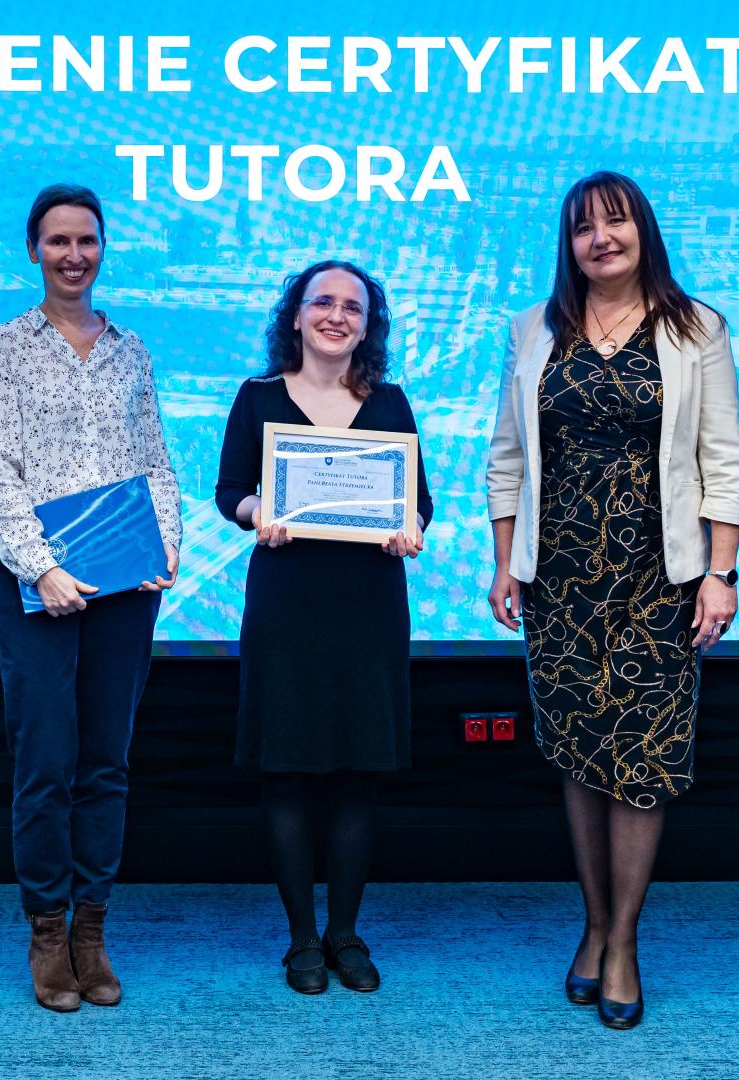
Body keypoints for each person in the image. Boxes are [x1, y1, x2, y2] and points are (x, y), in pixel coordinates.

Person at [485, 171, 739, 1030]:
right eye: (583, 228)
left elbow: (723, 457)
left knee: (643, 761)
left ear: (644, 231)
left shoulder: (696, 327)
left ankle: (625, 940)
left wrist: (721, 572)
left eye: (616, 222)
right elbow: (507, 458)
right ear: (568, 245)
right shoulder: (533, 328)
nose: (600, 238)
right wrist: (504, 565)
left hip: (657, 580)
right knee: (578, 753)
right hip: (559, 581)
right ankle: (593, 925)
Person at [0, 183, 182, 1013]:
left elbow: (155, 459)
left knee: (105, 765)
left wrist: (167, 543)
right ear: (34, 250)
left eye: (86, 241)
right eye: (58, 241)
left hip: (127, 587)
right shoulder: (5, 347)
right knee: (46, 766)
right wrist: (40, 569)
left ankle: (92, 930)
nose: (73, 255)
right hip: (38, 590)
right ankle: (47, 931)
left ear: (103, 249)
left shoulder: (131, 349)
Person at [214, 260, 432, 995]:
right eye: (323, 302)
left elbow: (420, 502)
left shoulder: (391, 403)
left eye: (353, 307)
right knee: (287, 771)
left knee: (356, 774)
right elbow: (230, 491)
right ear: (297, 315)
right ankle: (302, 940)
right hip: (287, 602)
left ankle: (345, 934)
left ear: (368, 327)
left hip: (368, 606)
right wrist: (258, 512)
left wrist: (410, 526)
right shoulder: (258, 397)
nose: (337, 316)